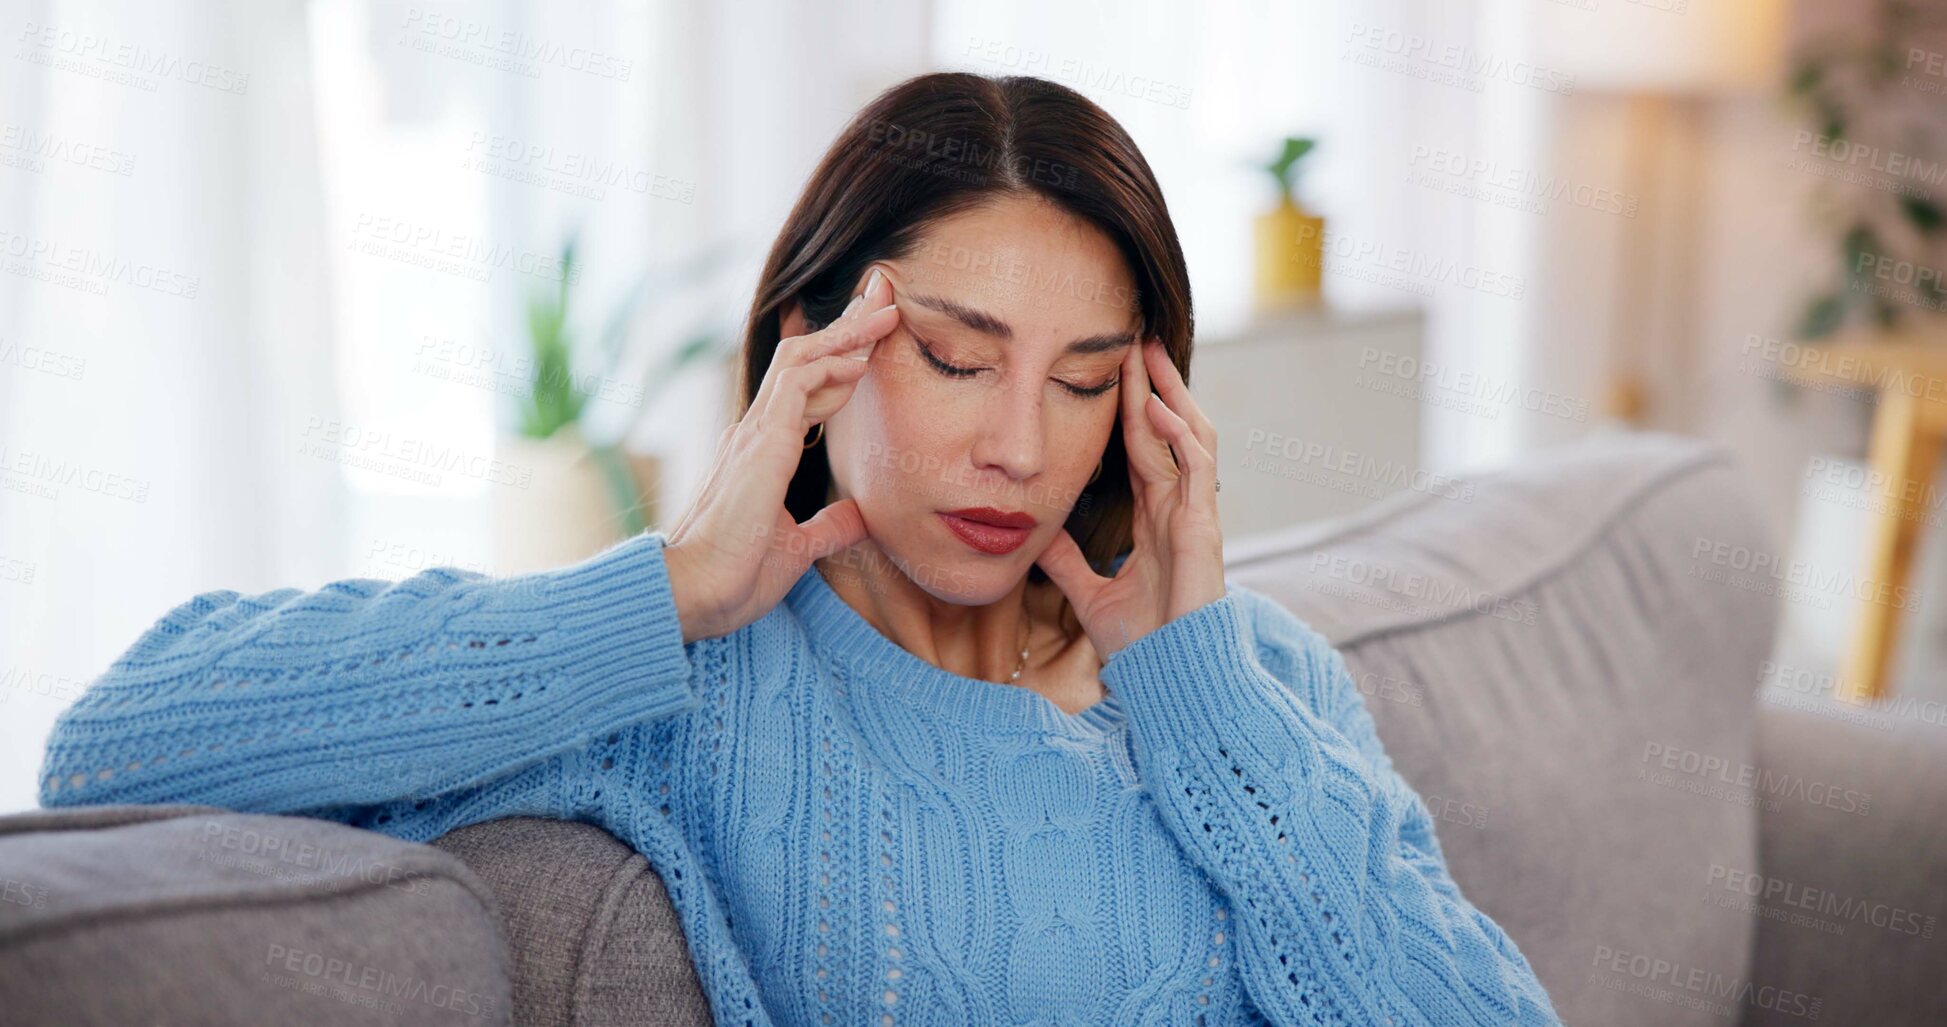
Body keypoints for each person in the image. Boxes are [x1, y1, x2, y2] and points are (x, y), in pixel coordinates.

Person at [38, 72, 1563, 1026]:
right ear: (809, 352)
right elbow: (120, 742)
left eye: (1085, 380)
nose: (1021, 447)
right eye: (959, 360)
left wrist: (1203, 697)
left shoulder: (1256, 682)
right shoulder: (696, 687)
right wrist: (670, 586)